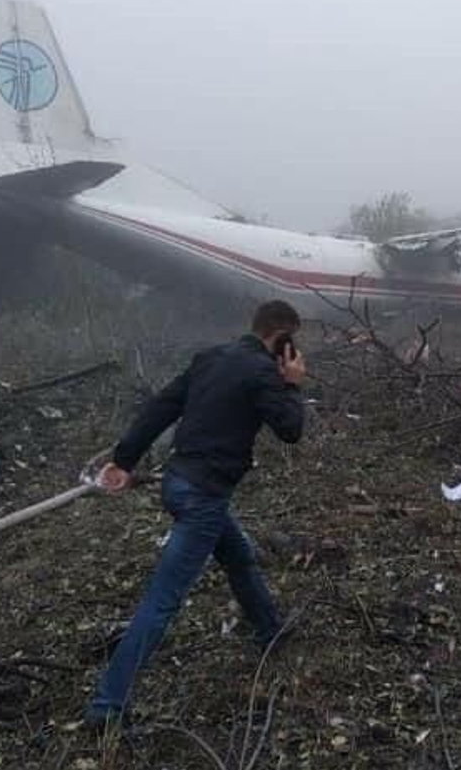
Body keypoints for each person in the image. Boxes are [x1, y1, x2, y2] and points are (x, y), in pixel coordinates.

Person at [85, 300, 307, 729]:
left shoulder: (210, 358)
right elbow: (291, 430)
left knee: (238, 555)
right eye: (291, 341)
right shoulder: (263, 372)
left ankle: (269, 628)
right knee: (163, 599)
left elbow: (160, 408)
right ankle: (107, 705)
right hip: (204, 497)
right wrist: (292, 385)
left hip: (178, 484)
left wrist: (124, 460)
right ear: (281, 338)